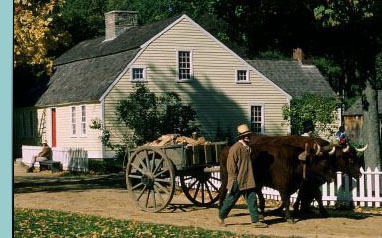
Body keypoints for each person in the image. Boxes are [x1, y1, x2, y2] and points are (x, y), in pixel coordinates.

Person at [218, 124, 268, 228]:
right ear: (240, 137)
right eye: (245, 136)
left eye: (249, 135)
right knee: (230, 200)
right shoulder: (235, 148)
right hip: (237, 180)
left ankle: (255, 221)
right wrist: (234, 179)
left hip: (248, 179)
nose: (248, 137)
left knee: (252, 199)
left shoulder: (247, 148)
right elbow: (230, 166)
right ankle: (221, 217)